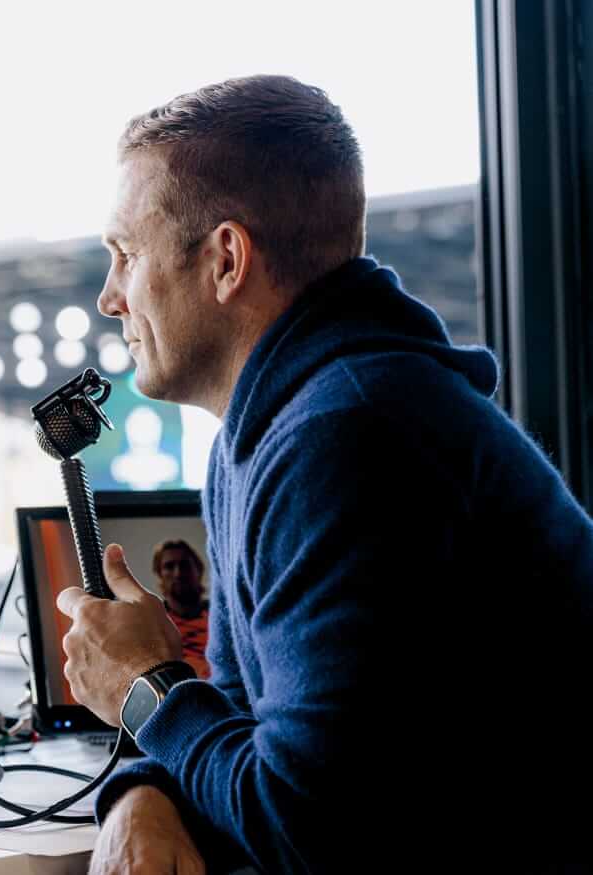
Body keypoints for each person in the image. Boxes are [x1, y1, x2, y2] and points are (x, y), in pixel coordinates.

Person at [56, 75, 593, 873]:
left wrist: (145, 686)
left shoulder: (351, 434)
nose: (109, 298)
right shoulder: (279, 427)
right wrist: (144, 787)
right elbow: (245, 720)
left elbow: (312, 832)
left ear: (227, 260)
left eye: (126, 257)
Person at [152, 539, 210, 679]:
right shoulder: (152, 622)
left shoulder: (222, 616)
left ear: (199, 570)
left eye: (185, 565)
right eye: (169, 566)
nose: (178, 573)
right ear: (160, 575)